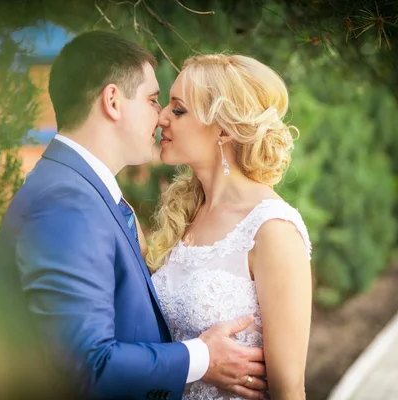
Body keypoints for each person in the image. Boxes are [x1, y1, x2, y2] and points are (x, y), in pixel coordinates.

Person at [0, 31, 268, 400]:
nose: (161, 118)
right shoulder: (67, 201)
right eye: (154, 101)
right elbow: (87, 367)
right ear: (113, 101)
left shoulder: (83, 189)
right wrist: (203, 357)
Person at [148, 53, 312, 400]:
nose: (161, 117)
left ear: (223, 127)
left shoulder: (272, 229)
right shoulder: (185, 212)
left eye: (178, 109)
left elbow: (290, 388)